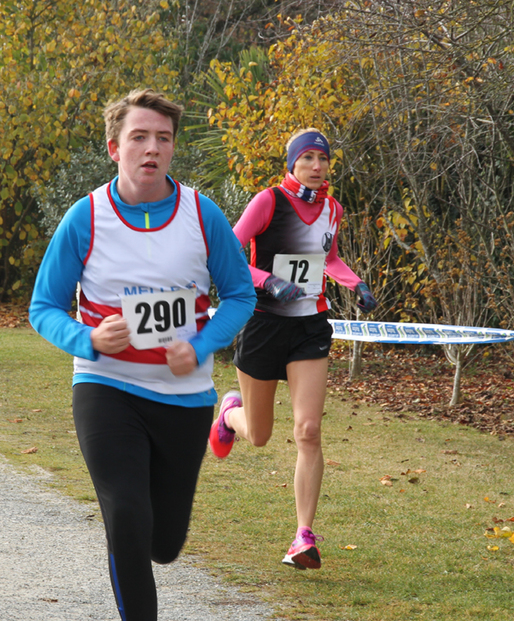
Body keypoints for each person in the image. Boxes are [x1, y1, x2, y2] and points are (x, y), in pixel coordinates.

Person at [28, 89, 256, 621]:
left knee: (164, 543)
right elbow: (43, 308)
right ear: (114, 147)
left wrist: (199, 346)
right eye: (139, 137)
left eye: (163, 138)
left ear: (173, 147)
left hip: (184, 396)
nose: (152, 148)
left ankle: (221, 415)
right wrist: (88, 340)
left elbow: (240, 295)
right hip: (106, 387)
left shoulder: (202, 214)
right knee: (128, 518)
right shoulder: (86, 217)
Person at [208, 128, 378, 571]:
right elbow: (228, 254)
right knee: (260, 435)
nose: (317, 167)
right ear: (292, 163)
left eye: (323, 159)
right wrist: (268, 281)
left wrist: (355, 283)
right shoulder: (268, 201)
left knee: (309, 430)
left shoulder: (332, 209)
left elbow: (330, 258)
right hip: (264, 325)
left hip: (309, 327)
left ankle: (303, 536)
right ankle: (230, 415)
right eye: (308, 159)